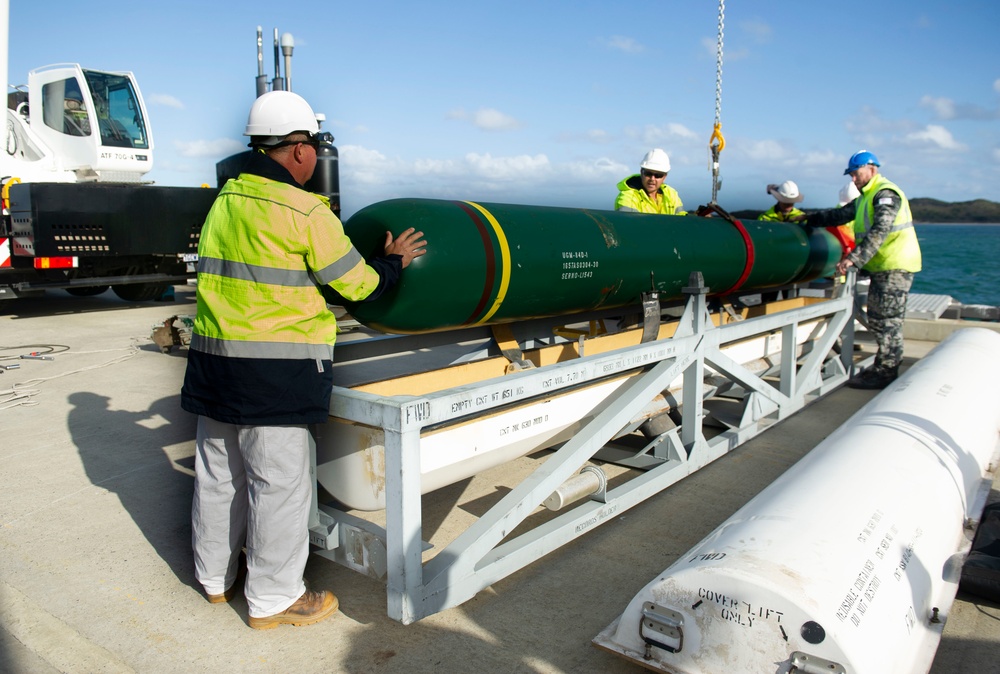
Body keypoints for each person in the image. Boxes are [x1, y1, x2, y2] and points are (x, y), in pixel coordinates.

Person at [180, 90, 427, 629]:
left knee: (218, 476)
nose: (315, 155)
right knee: (280, 486)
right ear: (297, 151)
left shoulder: (225, 200)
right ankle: (274, 599)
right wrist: (394, 261)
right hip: (276, 372)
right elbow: (357, 286)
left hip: (216, 364)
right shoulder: (304, 210)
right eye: (313, 144)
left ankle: (214, 579)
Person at [804, 150, 921, 389]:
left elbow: (880, 231)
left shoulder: (885, 194)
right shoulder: (867, 196)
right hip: (883, 266)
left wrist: (853, 259)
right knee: (880, 319)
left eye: (856, 175)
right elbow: (840, 215)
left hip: (894, 266)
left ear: (872, 169)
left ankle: (886, 372)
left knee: (887, 320)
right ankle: (883, 366)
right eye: (852, 176)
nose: (853, 180)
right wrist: (808, 219)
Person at [614, 148, 686, 215]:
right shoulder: (627, 196)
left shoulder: (671, 194)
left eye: (658, 175)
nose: (652, 178)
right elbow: (631, 225)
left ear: (664, 177)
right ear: (641, 172)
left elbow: (681, 219)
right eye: (648, 173)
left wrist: (694, 218)